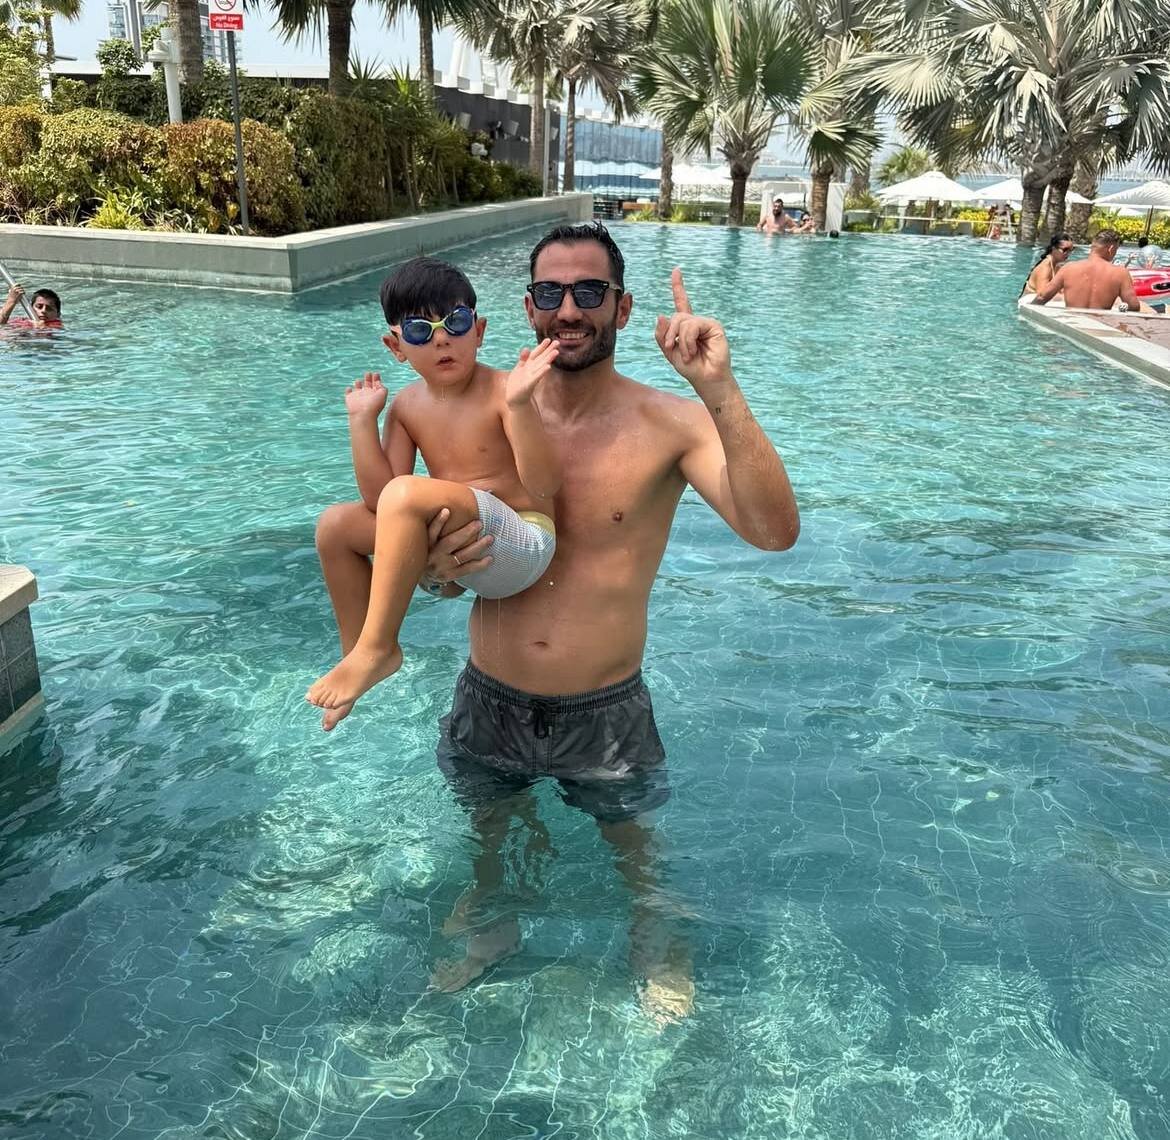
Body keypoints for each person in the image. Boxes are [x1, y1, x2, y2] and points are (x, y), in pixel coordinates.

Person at [414, 222, 799, 1017]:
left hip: (605, 705)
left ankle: (655, 930)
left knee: (634, 849)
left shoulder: (670, 424)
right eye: (550, 293)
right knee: (490, 830)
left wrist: (719, 389)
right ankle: (494, 924)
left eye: (589, 292)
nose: (569, 311)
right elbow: (445, 569)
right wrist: (435, 574)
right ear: (527, 307)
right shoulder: (480, 415)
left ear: (621, 309)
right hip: (489, 690)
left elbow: (773, 532)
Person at [307, 256, 562, 726]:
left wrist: (522, 405)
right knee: (335, 527)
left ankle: (379, 647)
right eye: (420, 330)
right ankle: (358, 651)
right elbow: (380, 502)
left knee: (407, 493)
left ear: (479, 331)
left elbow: (546, 484)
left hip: (522, 542)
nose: (442, 339)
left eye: (456, 323)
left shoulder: (505, 390)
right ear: (396, 346)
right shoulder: (406, 407)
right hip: (462, 548)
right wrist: (361, 422)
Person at [1034, 228, 1143, 311]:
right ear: (1111, 249)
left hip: (1072, 323)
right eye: (1116, 249)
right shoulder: (1121, 273)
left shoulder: (1068, 268)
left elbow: (1041, 297)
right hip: (1099, 326)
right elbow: (1134, 306)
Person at [1019, 233, 1074, 297]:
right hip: (1029, 301)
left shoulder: (1057, 265)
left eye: (1071, 250)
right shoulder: (1045, 268)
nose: (1068, 253)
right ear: (1053, 248)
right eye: (1065, 250)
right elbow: (1042, 295)